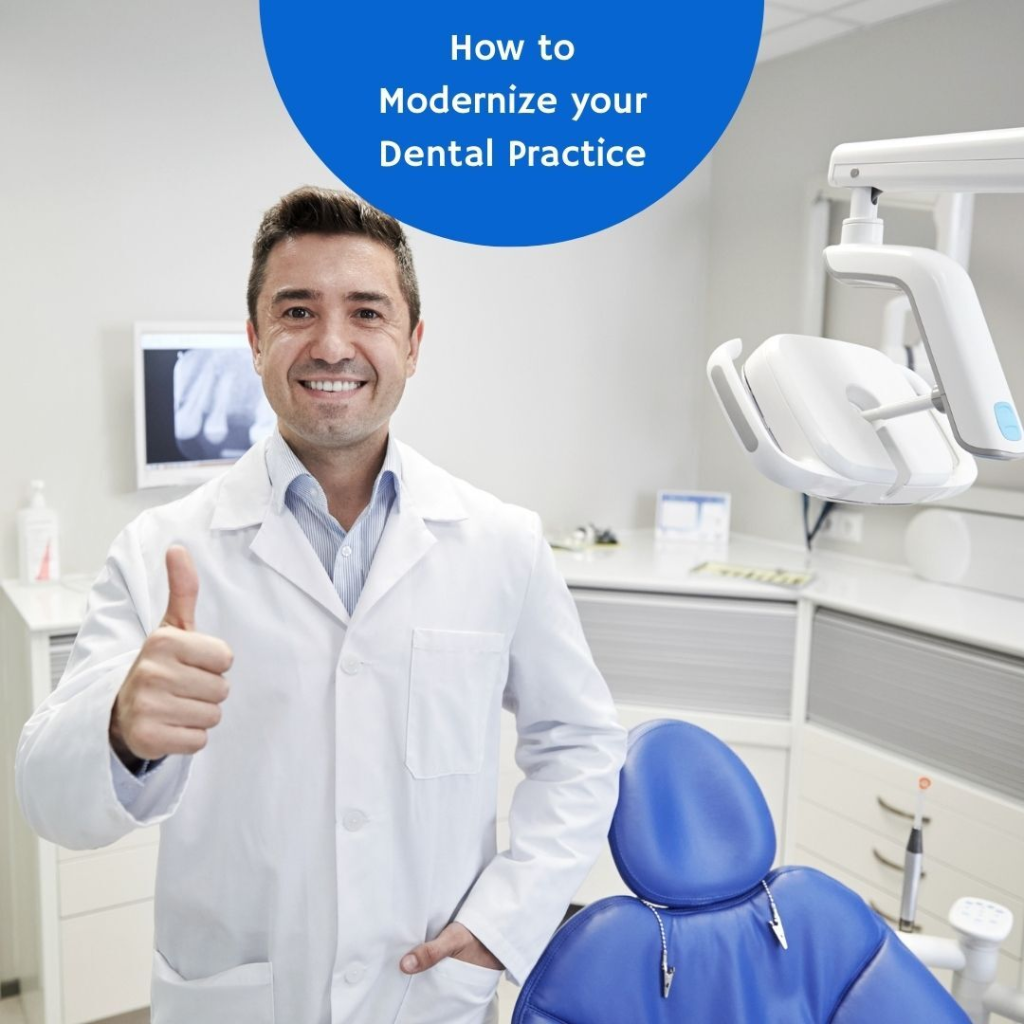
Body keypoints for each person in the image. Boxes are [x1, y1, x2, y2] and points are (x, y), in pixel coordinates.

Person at [16, 187, 627, 1024]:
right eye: (297, 310)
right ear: (255, 340)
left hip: (429, 992)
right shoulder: (163, 550)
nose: (332, 342)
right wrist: (120, 730)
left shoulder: (500, 543)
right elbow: (48, 800)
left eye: (367, 312)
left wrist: (506, 920)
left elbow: (583, 744)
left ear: (413, 345)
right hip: (236, 997)